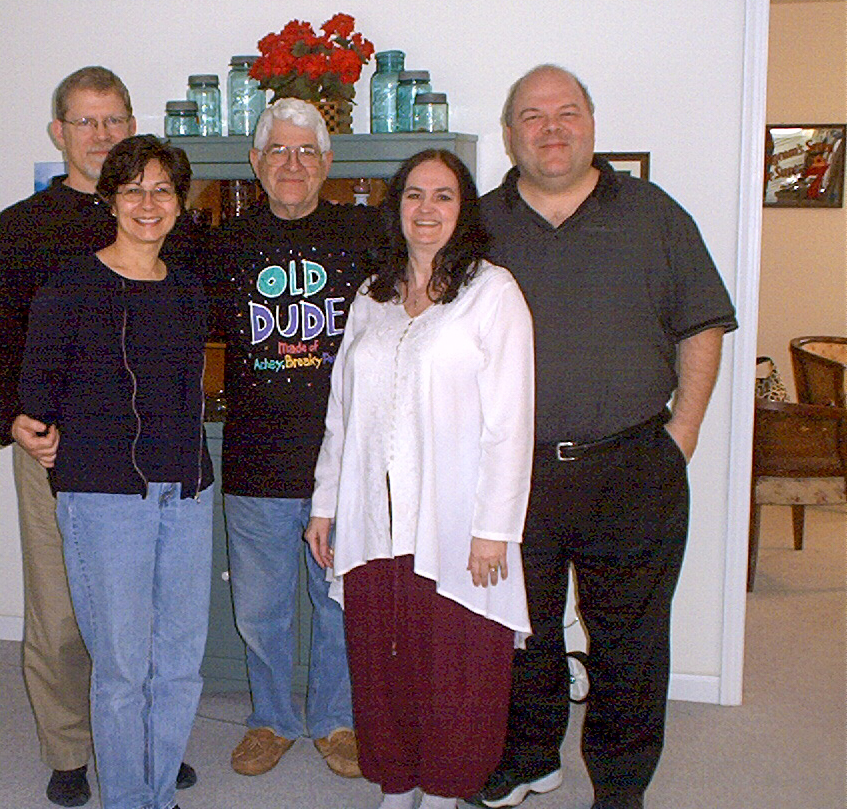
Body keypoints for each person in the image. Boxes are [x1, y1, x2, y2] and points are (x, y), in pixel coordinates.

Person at [467, 65, 737, 809]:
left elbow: (703, 323)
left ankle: (620, 786)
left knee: (631, 642)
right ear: (509, 132)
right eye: (532, 115)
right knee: (521, 631)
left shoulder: (654, 213)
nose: (551, 128)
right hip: (514, 476)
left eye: (567, 112)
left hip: (632, 465)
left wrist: (679, 436)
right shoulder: (479, 224)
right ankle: (528, 757)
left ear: (591, 122)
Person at [0, 67, 193, 807]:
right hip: (59, 451)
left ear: (132, 126)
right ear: (59, 131)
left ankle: (147, 744)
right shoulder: (22, 227)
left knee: (152, 616)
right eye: (86, 122)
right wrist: (13, 420)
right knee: (64, 614)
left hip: (154, 458)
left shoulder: (164, 221)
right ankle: (69, 748)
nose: (101, 135)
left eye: (114, 120)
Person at [305, 149, 535, 809]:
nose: (426, 209)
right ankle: (397, 782)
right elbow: (342, 412)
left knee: (456, 667)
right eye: (413, 195)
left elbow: (510, 423)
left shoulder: (492, 293)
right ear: (395, 206)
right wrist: (326, 505)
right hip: (375, 519)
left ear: (464, 210)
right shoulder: (372, 297)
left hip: (456, 521)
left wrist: (494, 529)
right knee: (382, 661)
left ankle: (442, 789)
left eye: (443, 196)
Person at [19, 135, 214, 809]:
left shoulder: (190, 290)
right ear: (110, 199)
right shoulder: (69, 287)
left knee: (180, 666)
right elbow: (36, 394)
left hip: (186, 497)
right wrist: (38, 434)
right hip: (104, 501)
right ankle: (130, 801)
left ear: (180, 203)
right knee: (124, 671)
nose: (148, 203)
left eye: (163, 189)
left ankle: (159, 793)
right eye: (133, 189)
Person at [211, 98, 382, 778]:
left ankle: (338, 720)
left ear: (327, 164)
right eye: (278, 150)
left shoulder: (366, 236)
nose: (292, 163)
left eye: (306, 151)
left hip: (342, 467)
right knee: (260, 610)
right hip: (255, 462)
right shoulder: (223, 245)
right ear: (255, 164)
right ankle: (273, 719)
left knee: (338, 603)